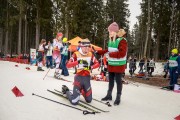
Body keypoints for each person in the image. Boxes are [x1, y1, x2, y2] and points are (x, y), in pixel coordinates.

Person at [96, 22, 128, 105]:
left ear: (115, 31)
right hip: (111, 64)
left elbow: (122, 53)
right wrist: (99, 52)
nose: (109, 32)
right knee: (110, 80)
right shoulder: (111, 40)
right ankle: (109, 95)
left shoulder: (122, 40)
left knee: (118, 81)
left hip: (119, 65)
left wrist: (110, 54)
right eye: (109, 31)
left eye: (110, 31)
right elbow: (108, 50)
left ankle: (118, 97)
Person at [61, 39, 100, 105]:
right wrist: (78, 62)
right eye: (85, 46)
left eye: (89, 46)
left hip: (87, 79)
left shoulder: (90, 54)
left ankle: (82, 90)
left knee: (89, 100)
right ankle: (67, 91)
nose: (87, 48)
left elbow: (97, 64)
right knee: (74, 101)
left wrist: (91, 67)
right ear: (81, 46)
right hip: (78, 78)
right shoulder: (76, 54)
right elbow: (68, 65)